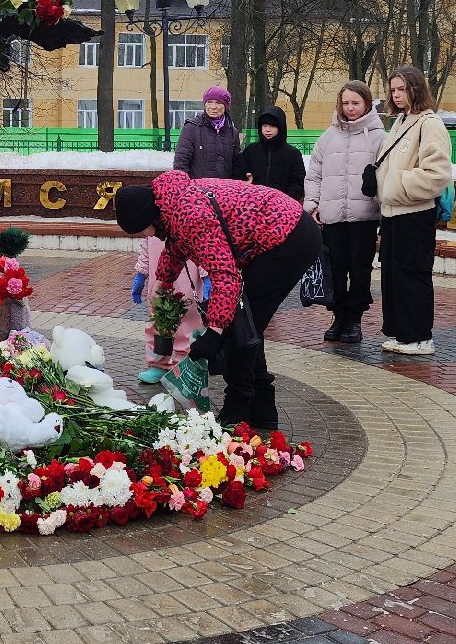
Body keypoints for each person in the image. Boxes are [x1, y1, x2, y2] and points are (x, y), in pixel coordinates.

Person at [113, 172, 319, 428]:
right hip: (280, 235)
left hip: (288, 237)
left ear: (148, 217)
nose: (145, 236)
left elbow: (225, 274)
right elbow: (176, 246)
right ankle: (262, 411)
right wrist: (161, 283)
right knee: (246, 325)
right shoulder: (171, 205)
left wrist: (215, 330)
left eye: (140, 230)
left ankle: (239, 410)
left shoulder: (190, 214)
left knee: (239, 325)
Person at [374, 67, 453, 357]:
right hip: (393, 212)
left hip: (414, 212)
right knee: (394, 275)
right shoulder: (401, 121)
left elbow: (438, 173)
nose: (396, 94)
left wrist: (396, 185)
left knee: (413, 274)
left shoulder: (430, 123)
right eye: (393, 89)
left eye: (402, 89)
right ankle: (402, 332)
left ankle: (420, 335)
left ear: (416, 89)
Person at [303, 81, 387, 344]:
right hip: (333, 216)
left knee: (360, 269)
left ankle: (354, 319)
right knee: (335, 269)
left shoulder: (379, 137)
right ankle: (338, 315)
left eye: (356, 103)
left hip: (364, 216)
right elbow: (314, 173)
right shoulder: (328, 136)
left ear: (367, 104)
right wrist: (313, 204)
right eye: (345, 103)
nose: (350, 108)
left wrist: (382, 207)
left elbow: (386, 176)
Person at [132, 234, 206, 388]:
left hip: (187, 276)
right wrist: (141, 272)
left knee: (188, 321)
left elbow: (203, 246)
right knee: (158, 319)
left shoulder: (188, 217)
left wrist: (206, 275)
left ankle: (184, 366)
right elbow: (146, 247)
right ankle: (159, 364)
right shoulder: (152, 222)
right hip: (158, 278)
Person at [173, 86, 241, 180]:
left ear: (226, 106)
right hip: (198, 190)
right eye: (209, 102)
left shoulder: (232, 132)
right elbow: (181, 161)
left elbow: (237, 164)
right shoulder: (191, 128)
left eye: (218, 102)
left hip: (224, 190)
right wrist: (184, 186)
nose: (213, 107)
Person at [241, 106, 306, 201]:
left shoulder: (292, 154)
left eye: (272, 126)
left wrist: (284, 200)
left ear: (280, 127)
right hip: (253, 204)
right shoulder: (250, 151)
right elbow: (239, 175)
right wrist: (246, 187)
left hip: (282, 206)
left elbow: (298, 182)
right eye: (264, 126)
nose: (267, 130)